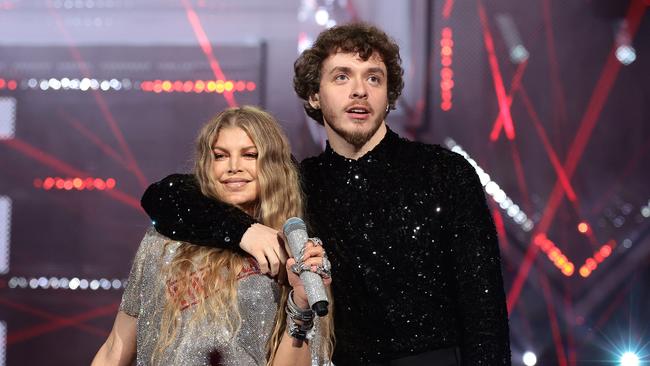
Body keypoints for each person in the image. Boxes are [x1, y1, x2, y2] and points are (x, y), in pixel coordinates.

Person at [141, 23, 511, 365]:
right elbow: (165, 196)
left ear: (388, 95)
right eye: (342, 77)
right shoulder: (300, 182)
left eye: (374, 78)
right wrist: (244, 231)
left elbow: (485, 314)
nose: (359, 90)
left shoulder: (444, 172)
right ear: (314, 95)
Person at [92, 106, 334, 366]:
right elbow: (116, 346)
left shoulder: (293, 252)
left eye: (250, 155)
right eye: (220, 156)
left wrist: (300, 303)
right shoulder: (162, 241)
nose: (233, 167)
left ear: (274, 165)